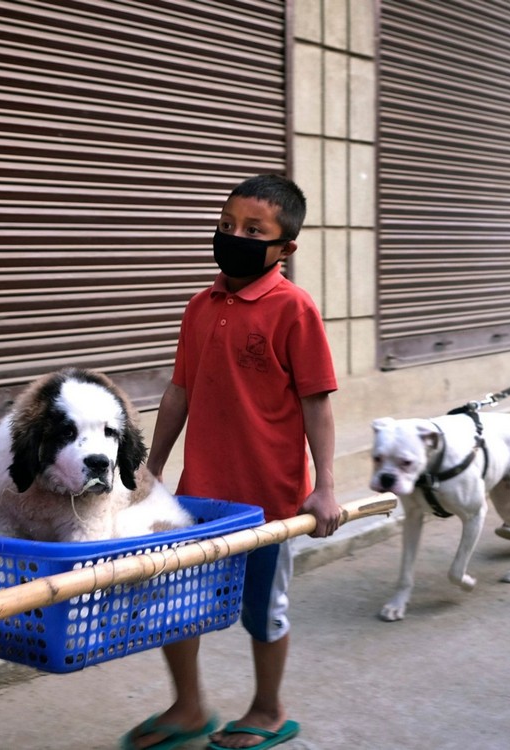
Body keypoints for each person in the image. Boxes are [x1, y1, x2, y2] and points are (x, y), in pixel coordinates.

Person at [121, 174, 340, 750]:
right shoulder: (200, 306)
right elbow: (179, 394)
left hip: (268, 500)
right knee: (176, 604)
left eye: (252, 231)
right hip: (199, 495)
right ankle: (188, 707)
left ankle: (267, 709)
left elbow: (316, 403)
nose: (232, 236)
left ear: (285, 248)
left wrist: (324, 488)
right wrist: (153, 469)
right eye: (226, 226)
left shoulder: (294, 309)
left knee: (263, 611)